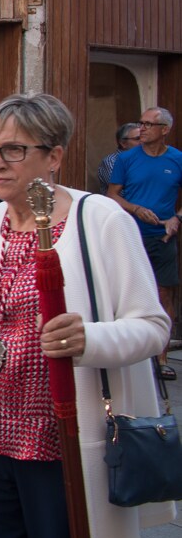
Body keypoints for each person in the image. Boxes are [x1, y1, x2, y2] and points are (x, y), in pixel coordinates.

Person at [0, 93, 174, 538]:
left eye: (14, 150)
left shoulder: (101, 219)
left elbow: (153, 326)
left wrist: (90, 339)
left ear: (55, 155)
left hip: (64, 447)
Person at [108, 106, 182, 380]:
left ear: (165, 130)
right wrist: (136, 209)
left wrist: (176, 218)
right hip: (131, 235)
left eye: (150, 124)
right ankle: (130, 356)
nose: (143, 128)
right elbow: (112, 195)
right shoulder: (127, 159)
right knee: (126, 292)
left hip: (162, 237)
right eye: (141, 123)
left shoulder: (177, 159)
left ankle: (161, 359)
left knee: (164, 294)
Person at [97, 122, 141, 194]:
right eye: (138, 138)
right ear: (123, 143)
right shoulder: (111, 161)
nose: (142, 141)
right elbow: (120, 192)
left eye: (143, 138)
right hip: (118, 204)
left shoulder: (144, 159)